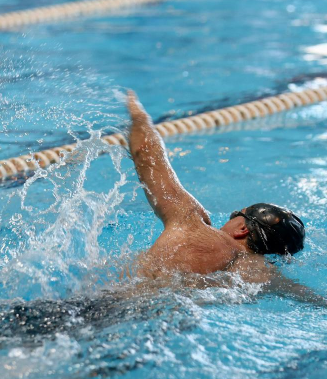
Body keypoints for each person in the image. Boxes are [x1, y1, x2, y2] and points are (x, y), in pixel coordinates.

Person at [127, 90, 306, 287]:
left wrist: (137, 112)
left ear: (243, 229)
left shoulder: (192, 223)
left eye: (236, 214)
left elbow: (145, 151)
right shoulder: (262, 275)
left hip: (112, 305)